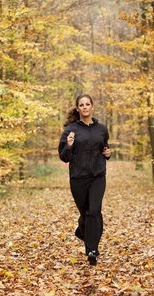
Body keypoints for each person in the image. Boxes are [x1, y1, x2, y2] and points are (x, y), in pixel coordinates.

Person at [58, 94, 111, 265]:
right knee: (85, 214)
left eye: (88, 104)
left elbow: (104, 147)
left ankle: (92, 250)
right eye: (82, 105)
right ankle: (82, 232)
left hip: (97, 176)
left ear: (92, 106)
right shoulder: (70, 131)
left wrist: (108, 153)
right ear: (78, 108)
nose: (85, 107)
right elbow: (64, 157)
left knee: (94, 211)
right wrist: (69, 145)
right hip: (78, 178)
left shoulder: (102, 129)